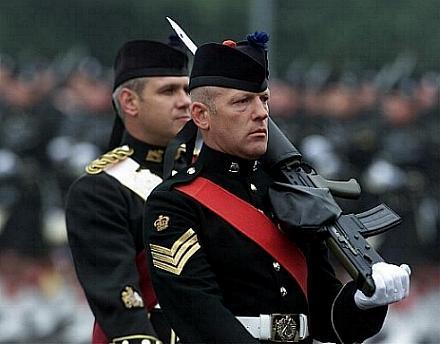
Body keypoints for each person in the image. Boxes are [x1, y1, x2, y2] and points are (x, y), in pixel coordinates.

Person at [143, 32, 411, 343]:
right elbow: (199, 316)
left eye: (264, 98)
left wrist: (365, 301)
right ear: (201, 115)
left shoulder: (293, 192)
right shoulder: (176, 203)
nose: (261, 113)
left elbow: (329, 322)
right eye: (242, 101)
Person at [65, 37, 191, 344]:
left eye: (187, 89)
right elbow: (120, 302)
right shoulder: (101, 190)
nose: (185, 101)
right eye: (168, 91)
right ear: (129, 102)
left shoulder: (203, 174)